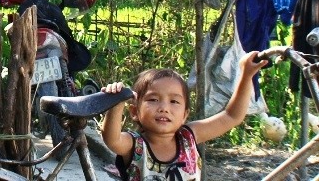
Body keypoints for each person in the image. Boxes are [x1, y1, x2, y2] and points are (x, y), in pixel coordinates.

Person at [101, 51, 268, 180]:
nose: (164, 108)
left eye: (174, 101)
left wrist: (246, 75)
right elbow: (112, 139)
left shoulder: (189, 136)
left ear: (184, 115)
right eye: (153, 99)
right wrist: (116, 103)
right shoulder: (135, 145)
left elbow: (232, 116)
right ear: (135, 112)